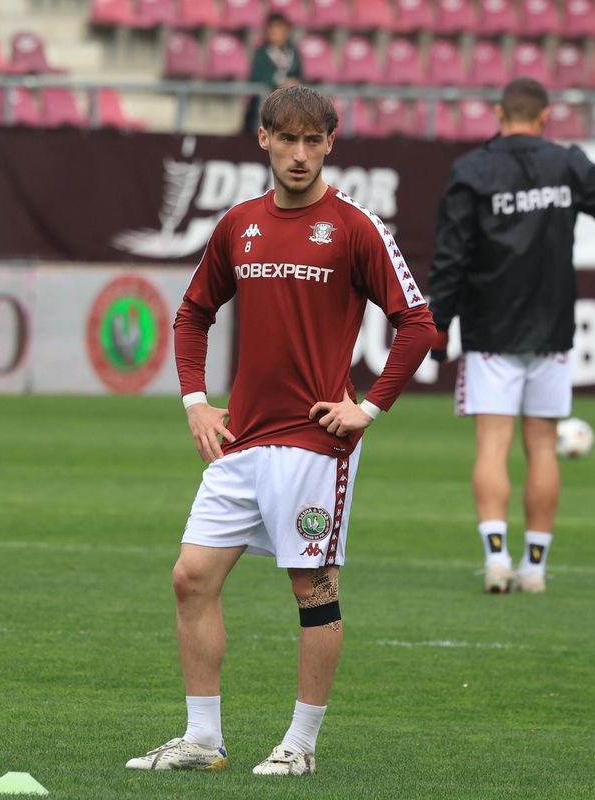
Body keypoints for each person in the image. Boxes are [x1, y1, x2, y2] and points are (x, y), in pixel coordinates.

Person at [125, 86, 435, 777]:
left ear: (331, 144)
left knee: (311, 587)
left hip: (314, 444)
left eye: (312, 140)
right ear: (262, 139)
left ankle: (300, 746)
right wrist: (195, 402)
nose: (299, 154)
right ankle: (202, 739)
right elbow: (191, 315)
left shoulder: (356, 226)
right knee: (190, 578)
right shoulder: (239, 224)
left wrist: (370, 407)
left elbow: (418, 323)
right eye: (285, 139)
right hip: (241, 441)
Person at [427, 78, 595, 594]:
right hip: (552, 331)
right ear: (546, 115)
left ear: (497, 113)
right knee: (544, 449)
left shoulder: (471, 171)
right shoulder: (566, 163)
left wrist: (439, 324)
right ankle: (535, 569)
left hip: (490, 331)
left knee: (492, 445)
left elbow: (450, 258)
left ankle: (496, 560)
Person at [242, 13, 302, 135]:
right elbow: (255, 77)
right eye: (271, 28)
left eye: (278, 28)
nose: (274, 32)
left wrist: (295, 82)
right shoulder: (262, 52)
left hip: (288, 105)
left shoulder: (292, 52)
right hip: (264, 105)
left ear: (286, 31)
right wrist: (280, 83)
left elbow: (299, 74)